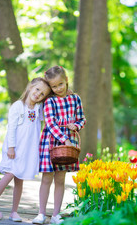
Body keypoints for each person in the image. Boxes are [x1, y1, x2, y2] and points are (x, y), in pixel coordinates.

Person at [0, 77, 51, 222]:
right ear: (30, 86)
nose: (38, 94)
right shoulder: (18, 106)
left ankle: (14, 211)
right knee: (9, 175)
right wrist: (11, 147)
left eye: (42, 94)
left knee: (19, 180)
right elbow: (11, 128)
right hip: (14, 149)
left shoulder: (38, 109)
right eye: (37, 89)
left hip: (26, 151)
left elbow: (47, 112)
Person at [32, 66, 86, 224]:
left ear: (66, 79)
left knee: (60, 179)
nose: (58, 89)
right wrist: (65, 139)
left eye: (60, 84)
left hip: (67, 145)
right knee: (47, 178)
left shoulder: (75, 99)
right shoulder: (50, 100)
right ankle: (41, 213)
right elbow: (50, 123)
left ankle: (56, 214)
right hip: (51, 142)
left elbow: (82, 119)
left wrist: (76, 126)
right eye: (54, 86)